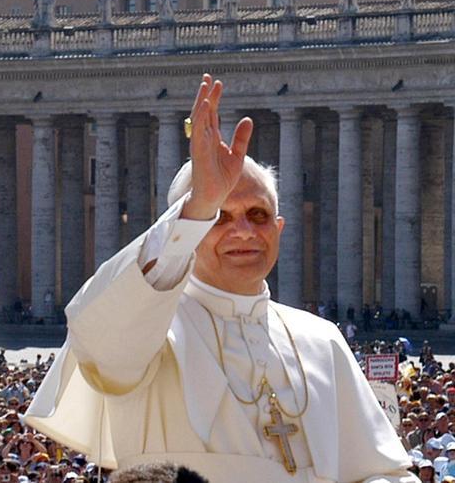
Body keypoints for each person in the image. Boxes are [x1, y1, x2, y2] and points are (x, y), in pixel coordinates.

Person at [24, 73, 416, 482]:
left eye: (258, 215)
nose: (243, 231)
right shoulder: (149, 329)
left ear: (279, 229)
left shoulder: (323, 340)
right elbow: (96, 329)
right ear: (186, 229)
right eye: (220, 217)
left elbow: (378, 471)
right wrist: (199, 204)